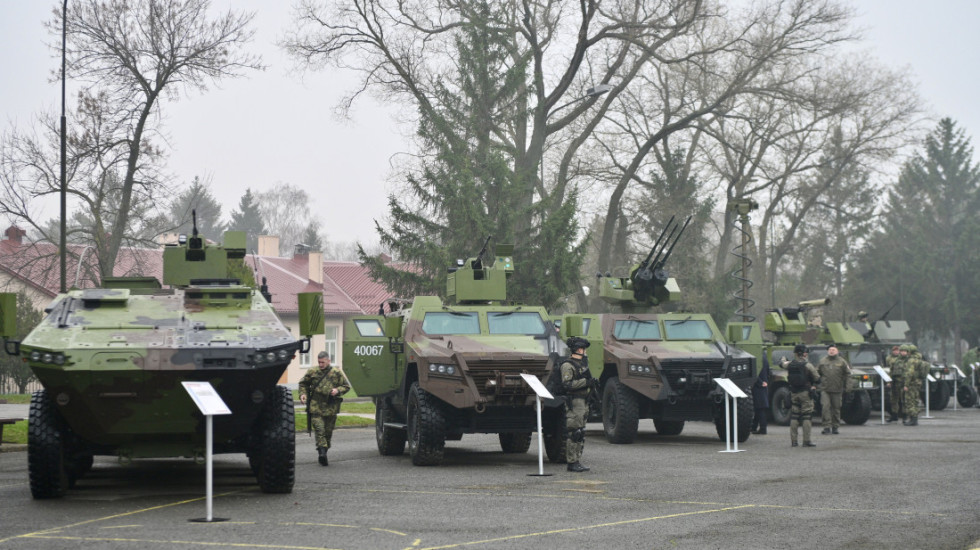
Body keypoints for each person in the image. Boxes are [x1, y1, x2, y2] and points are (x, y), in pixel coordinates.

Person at [299, 352, 351, 465]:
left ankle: (324, 450)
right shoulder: (312, 372)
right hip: (315, 406)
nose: (321, 364)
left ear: (328, 361)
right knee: (319, 430)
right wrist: (303, 394)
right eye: (319, 362)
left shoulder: (336, 373)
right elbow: (303, 384)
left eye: (323, 362)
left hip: (330, 407)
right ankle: (321, 453)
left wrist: (337, 390)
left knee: (328, 432)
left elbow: (346, 386)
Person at [561, 337, 594, 472]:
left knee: (581, 432)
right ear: (578, 349)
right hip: (575, 401)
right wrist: (586, 382)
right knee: (574, 432)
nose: (585, 351)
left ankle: (577, 459)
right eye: (583, 349)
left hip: (583, 401)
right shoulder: (568, 365)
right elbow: (567, 384)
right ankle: (571, 461)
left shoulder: (582, 364)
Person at [785, 344, 820, 447]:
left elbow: (781, 364)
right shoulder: (807, 365)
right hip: (805, 393)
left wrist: (783, 360)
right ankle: (806, 441)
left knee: (794, 417)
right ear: (804, 354)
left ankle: (794, 441)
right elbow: (817, 378)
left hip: (793, 393)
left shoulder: (790, 364)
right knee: (807, 417)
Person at [817, 345, 851, 434]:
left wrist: (848, 387)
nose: (831, 351)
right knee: (825, 407)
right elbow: (817, 373)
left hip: (837, 389)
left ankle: (835, 427)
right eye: (830, 350)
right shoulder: (822, 361)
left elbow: (847, 374)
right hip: (825, 389)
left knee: (836, 409)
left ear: (837, 351)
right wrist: (814, 384)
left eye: (833, 350)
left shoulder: (842, 361)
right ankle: (826, 427)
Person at [902, 345, 929, 426]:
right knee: (915, 400)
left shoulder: (911, 361)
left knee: (910, 401)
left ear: (909, 352)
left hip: (911, 383)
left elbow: (909, 373)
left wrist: (906, 384)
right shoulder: (919, 359)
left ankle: (913, 419)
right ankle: (915, 418)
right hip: (918, 382)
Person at [750, 353, 770, 435]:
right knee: (759, 407)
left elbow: (754, 372)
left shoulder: (755, 357)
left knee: (760, 408)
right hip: (764, 383)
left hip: (758, 385)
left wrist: (760, 382)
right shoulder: (764, 356)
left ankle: (762, 428)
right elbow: (768, 370)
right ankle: (754, 427)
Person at [885, 345, 905, 422]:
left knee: (903, 399)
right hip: (894, 381)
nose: (896, 352)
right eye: (894, 350)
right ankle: (894, 415)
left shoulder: (903, 360)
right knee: (894, 399)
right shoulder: (890, 359)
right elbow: (890, 371)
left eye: (897, 350)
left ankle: (904, 416)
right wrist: (889, 381)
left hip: (902, 381)